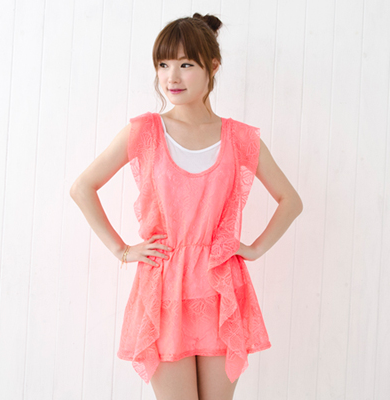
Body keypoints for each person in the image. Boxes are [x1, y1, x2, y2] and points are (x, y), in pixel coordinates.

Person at [70, 12, 303, 400]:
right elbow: (82, 188)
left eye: (185, 65)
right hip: (163, 288)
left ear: (213, 67)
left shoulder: (240, 138)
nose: (171, 77)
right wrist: (122, 250)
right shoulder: (145, 131)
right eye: (163, 65)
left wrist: (254, 249)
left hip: (221, 288)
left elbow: (291, 201)